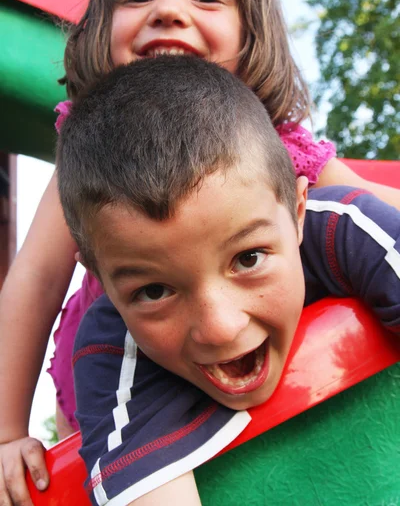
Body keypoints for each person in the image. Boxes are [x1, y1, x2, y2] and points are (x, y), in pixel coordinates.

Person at [0, 0, 399, 503]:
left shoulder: (282, 146)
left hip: (263, 342)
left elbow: (370, 203)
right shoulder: (96, 159)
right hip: (138, 367)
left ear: (250, 31)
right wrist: (7, 428)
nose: (167, 9)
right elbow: (34, 279)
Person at [57, 56, 400, 506]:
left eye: (249, 258)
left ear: (297, 213)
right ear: (100, 279)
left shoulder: (345, 227)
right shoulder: (109, 346)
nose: (220, 326)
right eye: (155, 291)